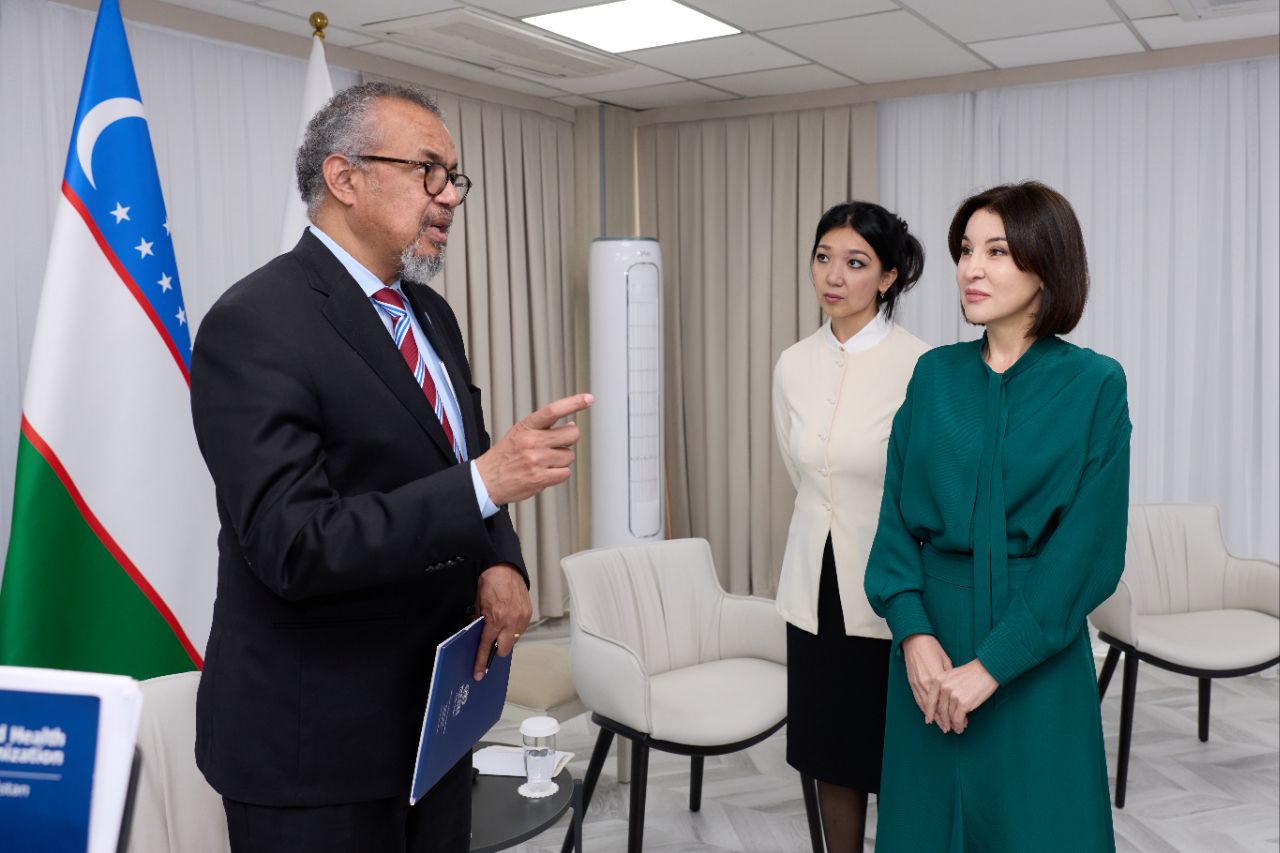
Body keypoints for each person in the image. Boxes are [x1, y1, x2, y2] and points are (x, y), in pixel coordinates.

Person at [189, 81, 591, 853]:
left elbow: (462, 460)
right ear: (345, 178)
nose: (450, 196)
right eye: (428, 170)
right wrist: (484, 483)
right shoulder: (256, 323)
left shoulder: (429, 313)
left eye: (455, 177)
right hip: (315, 749)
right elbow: (293, 543)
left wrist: (500, 559)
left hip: (433, 722)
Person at [865, 181, 1130, 852]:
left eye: (997, 251)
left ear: (1047, 264)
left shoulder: (1095, 385)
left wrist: (991, 666)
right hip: (930, 650)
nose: (970, 269)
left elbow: (1088, 550)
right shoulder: (934, 375)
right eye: (965, 250)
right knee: (925, 830)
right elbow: (894, 522)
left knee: (1041, 828)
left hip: (1036, 648)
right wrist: (913, 635)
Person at [772, 201, 929, 852]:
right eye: (823, 258)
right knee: (830, 751)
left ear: (888, 277)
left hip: (898, 587)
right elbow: (801, 471)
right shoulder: (792, 364)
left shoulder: (923, 366)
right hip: (816, 585)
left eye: (856, 263)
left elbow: (928, 492)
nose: (834, 276)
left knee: (900, 751)